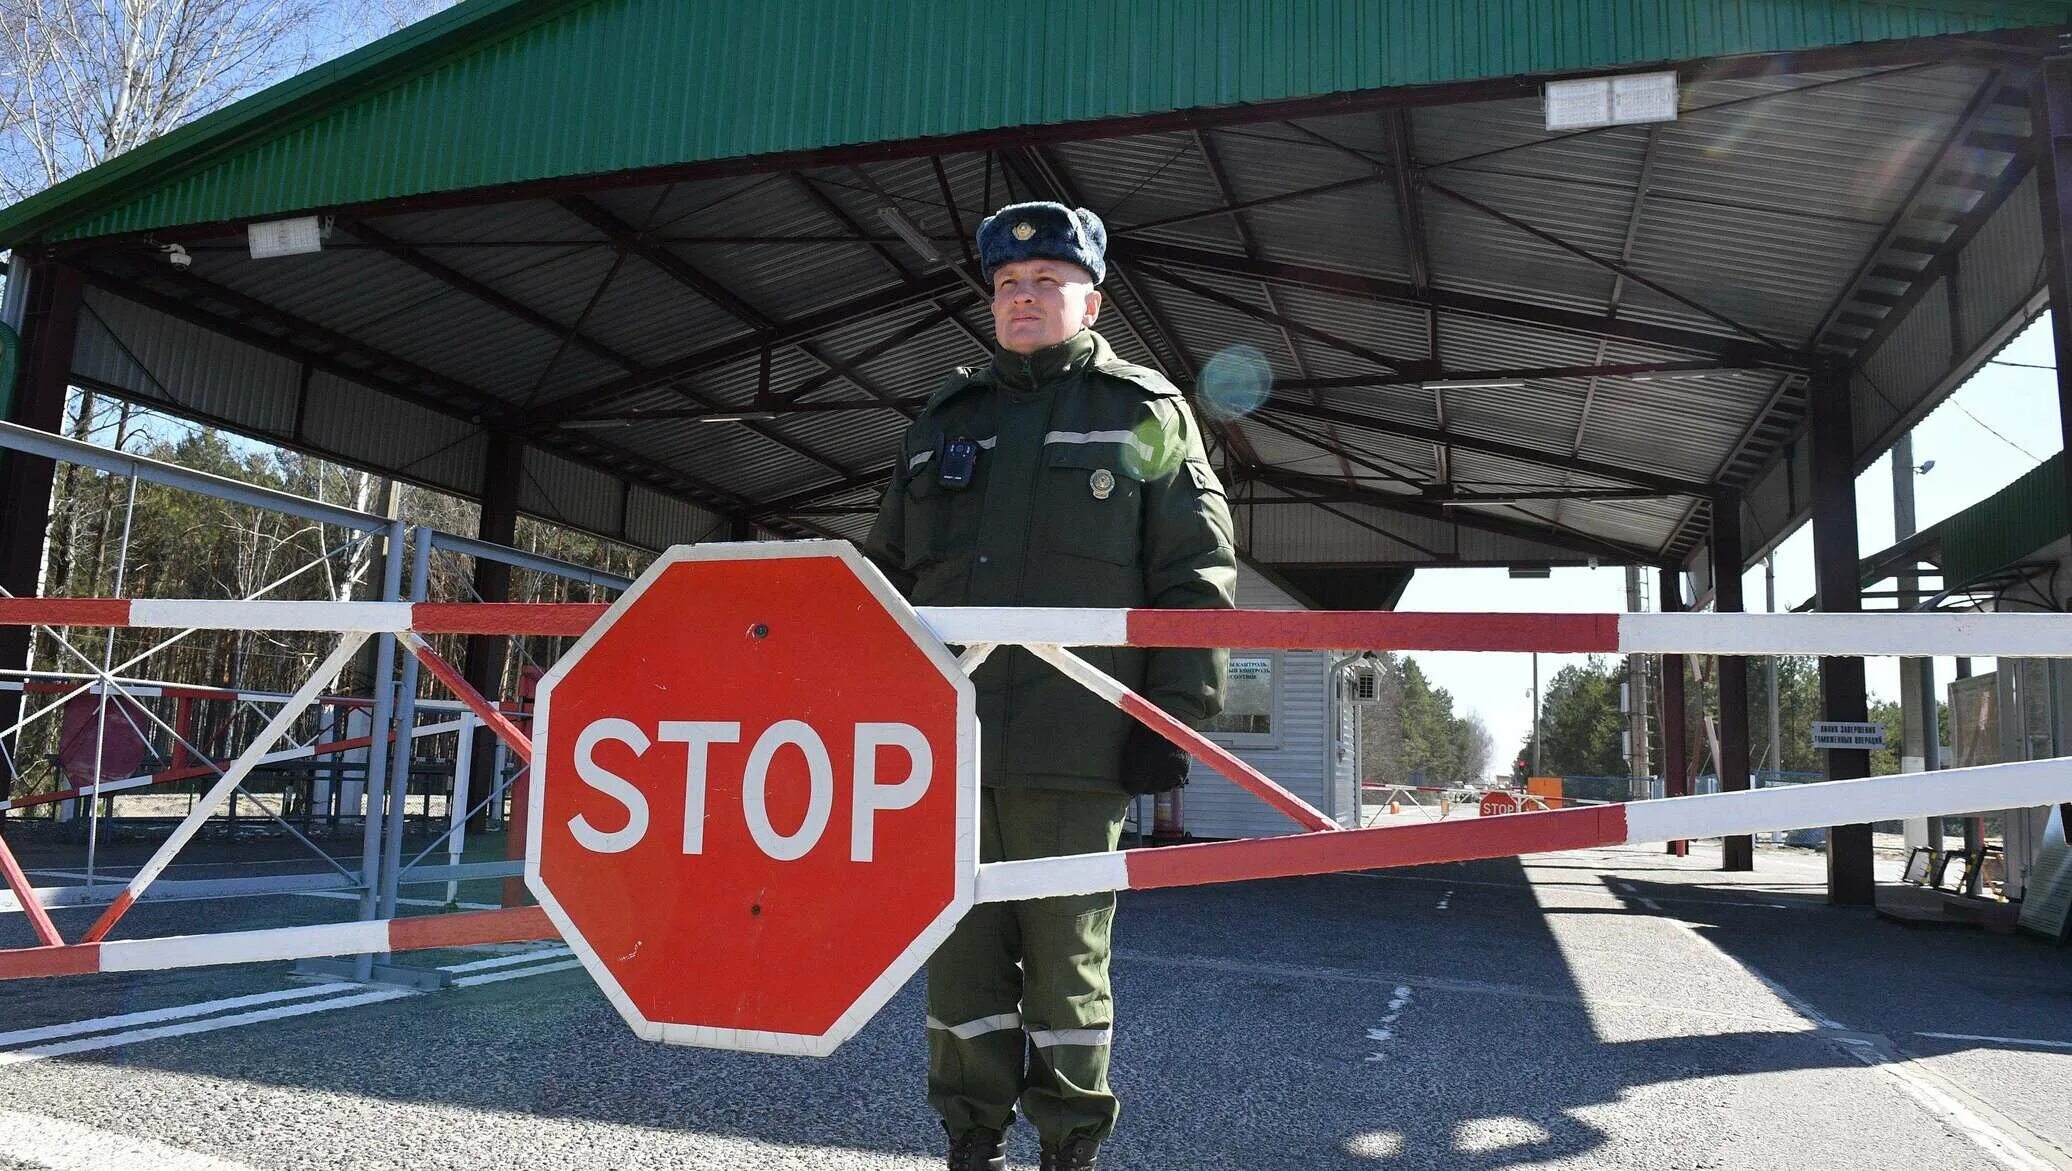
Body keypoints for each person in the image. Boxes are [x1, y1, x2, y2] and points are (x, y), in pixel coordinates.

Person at [865, 202, 1237, 1171]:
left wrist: (1171, 718)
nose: (1022, 298)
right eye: (1005, 286)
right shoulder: (944, 423)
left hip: (1076, 750)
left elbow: (1193, 574)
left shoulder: (1140, 412)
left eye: (1044, 282)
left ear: (1091, 297)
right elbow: (882, 584)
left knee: (1065, 964)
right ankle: (968, 1133)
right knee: (959, 958)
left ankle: (1069, 1143)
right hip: (944, 750)